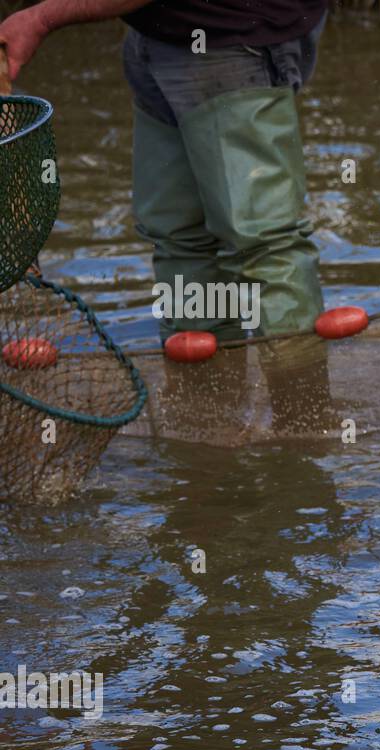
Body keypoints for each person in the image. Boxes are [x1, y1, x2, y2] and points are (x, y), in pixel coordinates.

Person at [1, 0, 334, 432]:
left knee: (262, 243)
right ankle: (210, 429)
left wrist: (42, 17)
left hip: (234, 38)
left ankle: (305, 429)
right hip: (160, 37)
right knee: (179, 238)